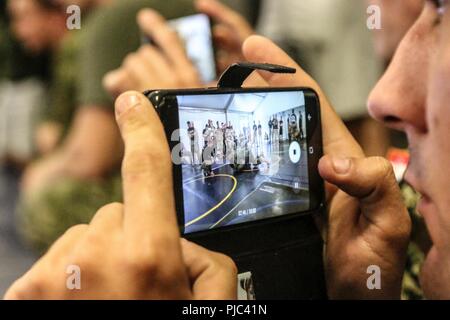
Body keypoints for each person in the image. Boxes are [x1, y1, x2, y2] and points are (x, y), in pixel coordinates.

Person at [6, 0, 450, 300]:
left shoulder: (109, 24)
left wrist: (195, 115)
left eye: (442, 8)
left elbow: (83, 159)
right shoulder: (388, 254)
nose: (382, 99)